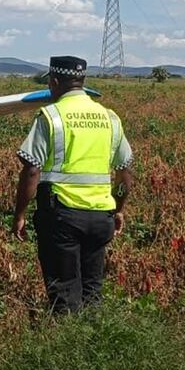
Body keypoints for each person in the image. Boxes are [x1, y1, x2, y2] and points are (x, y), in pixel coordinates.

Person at [11, 56, 133, 313]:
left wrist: (19, 213)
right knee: (92, 290)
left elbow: (32, 169)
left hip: (62, 217)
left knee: (64, 294)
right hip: (102, 217)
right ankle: (95, 343)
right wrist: (119, 209)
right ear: (82, 80)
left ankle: (67, 347)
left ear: (54, 82)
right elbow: (124, 172)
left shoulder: (51, 115)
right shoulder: (109, 117)